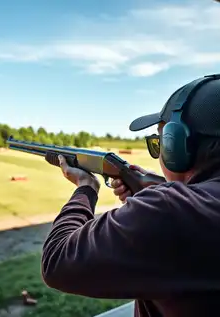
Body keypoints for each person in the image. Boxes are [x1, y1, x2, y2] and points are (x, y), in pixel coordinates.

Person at [41, 74, 220, 317]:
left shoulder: (167, 210)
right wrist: (154, 189)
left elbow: (56, 262)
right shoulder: (180, 206)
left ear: (177, 146)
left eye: (160, 142)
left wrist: (85, 187)